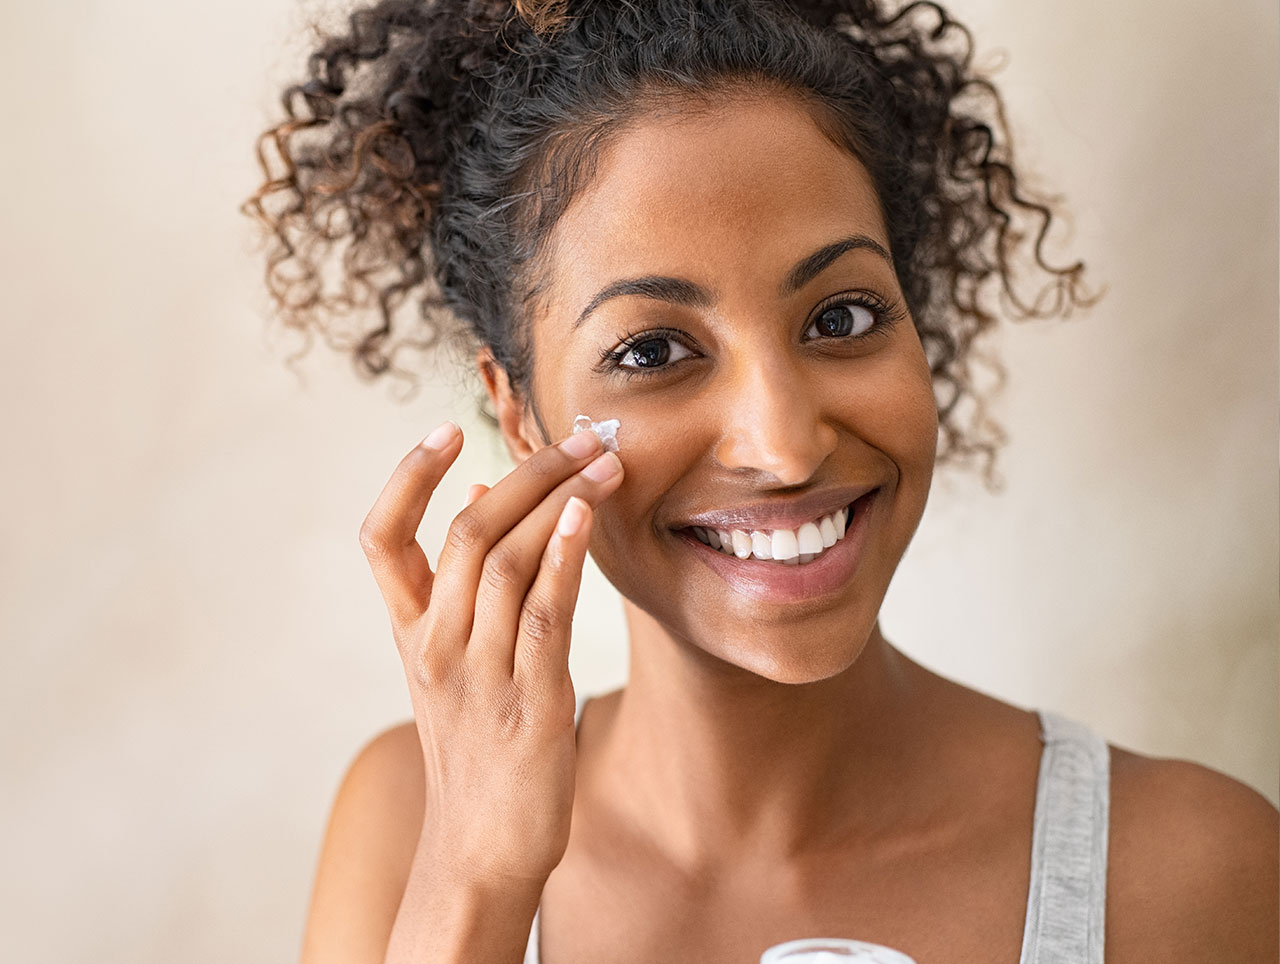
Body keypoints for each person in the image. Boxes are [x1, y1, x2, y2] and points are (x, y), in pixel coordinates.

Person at [243, 1, 1279, 961]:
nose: (783, 447)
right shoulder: (406, 821)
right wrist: (475, 878)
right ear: (517, 412)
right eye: (652, 350)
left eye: (840, 317)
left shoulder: (1185, 870)